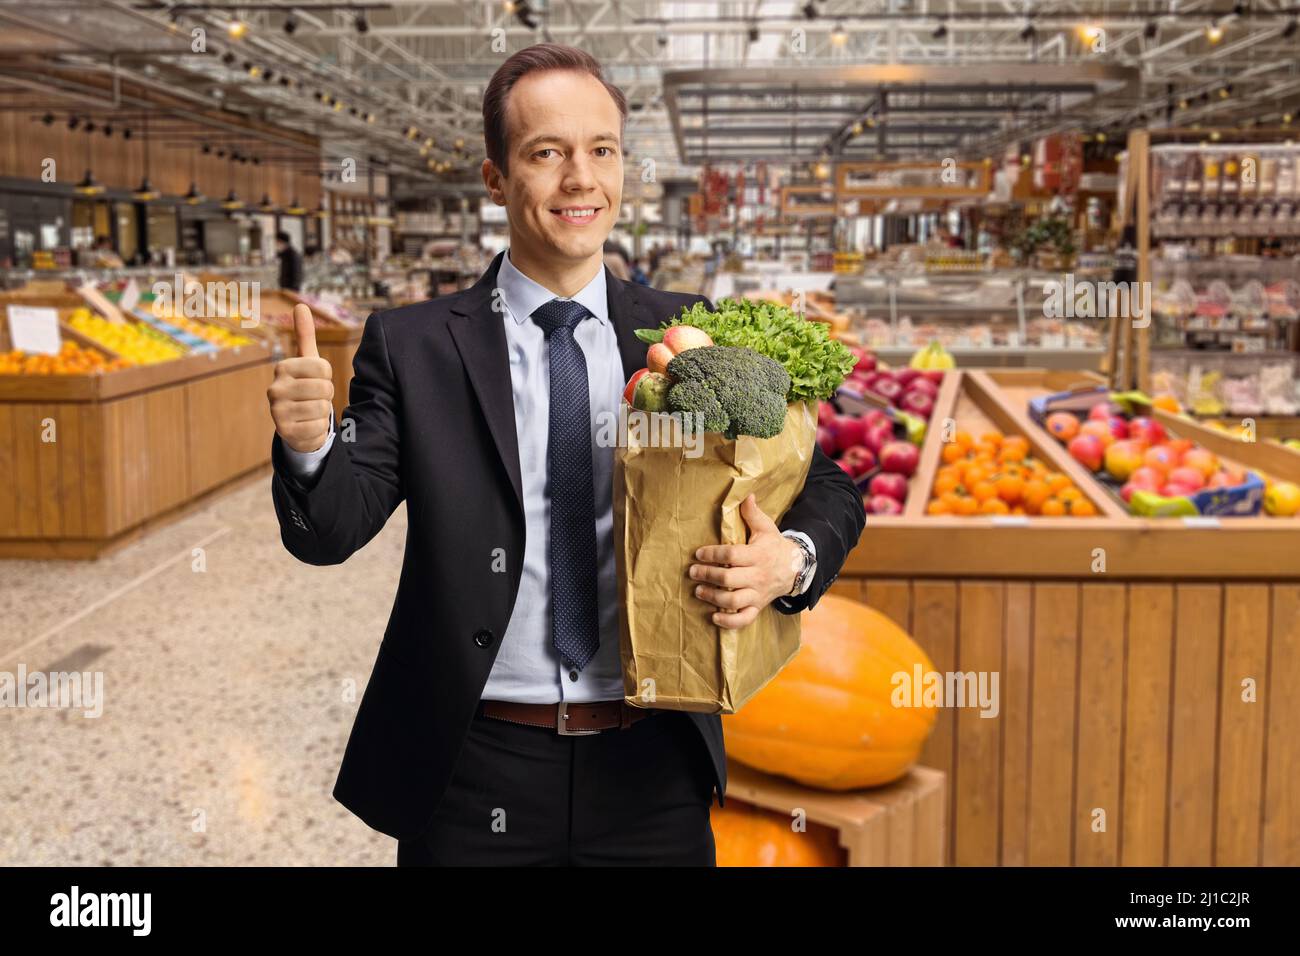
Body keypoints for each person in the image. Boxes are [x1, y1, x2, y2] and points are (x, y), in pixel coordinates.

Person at [264, 43, 864, 867]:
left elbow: (824, 481)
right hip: (474, 771)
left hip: (654, 763)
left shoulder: (690, 329)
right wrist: (307, 447)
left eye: (601, 151)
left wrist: (787, 562)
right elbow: (328, 530)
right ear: (496, 179)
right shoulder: (414, 347)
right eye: (546, 153)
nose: (581, 179)